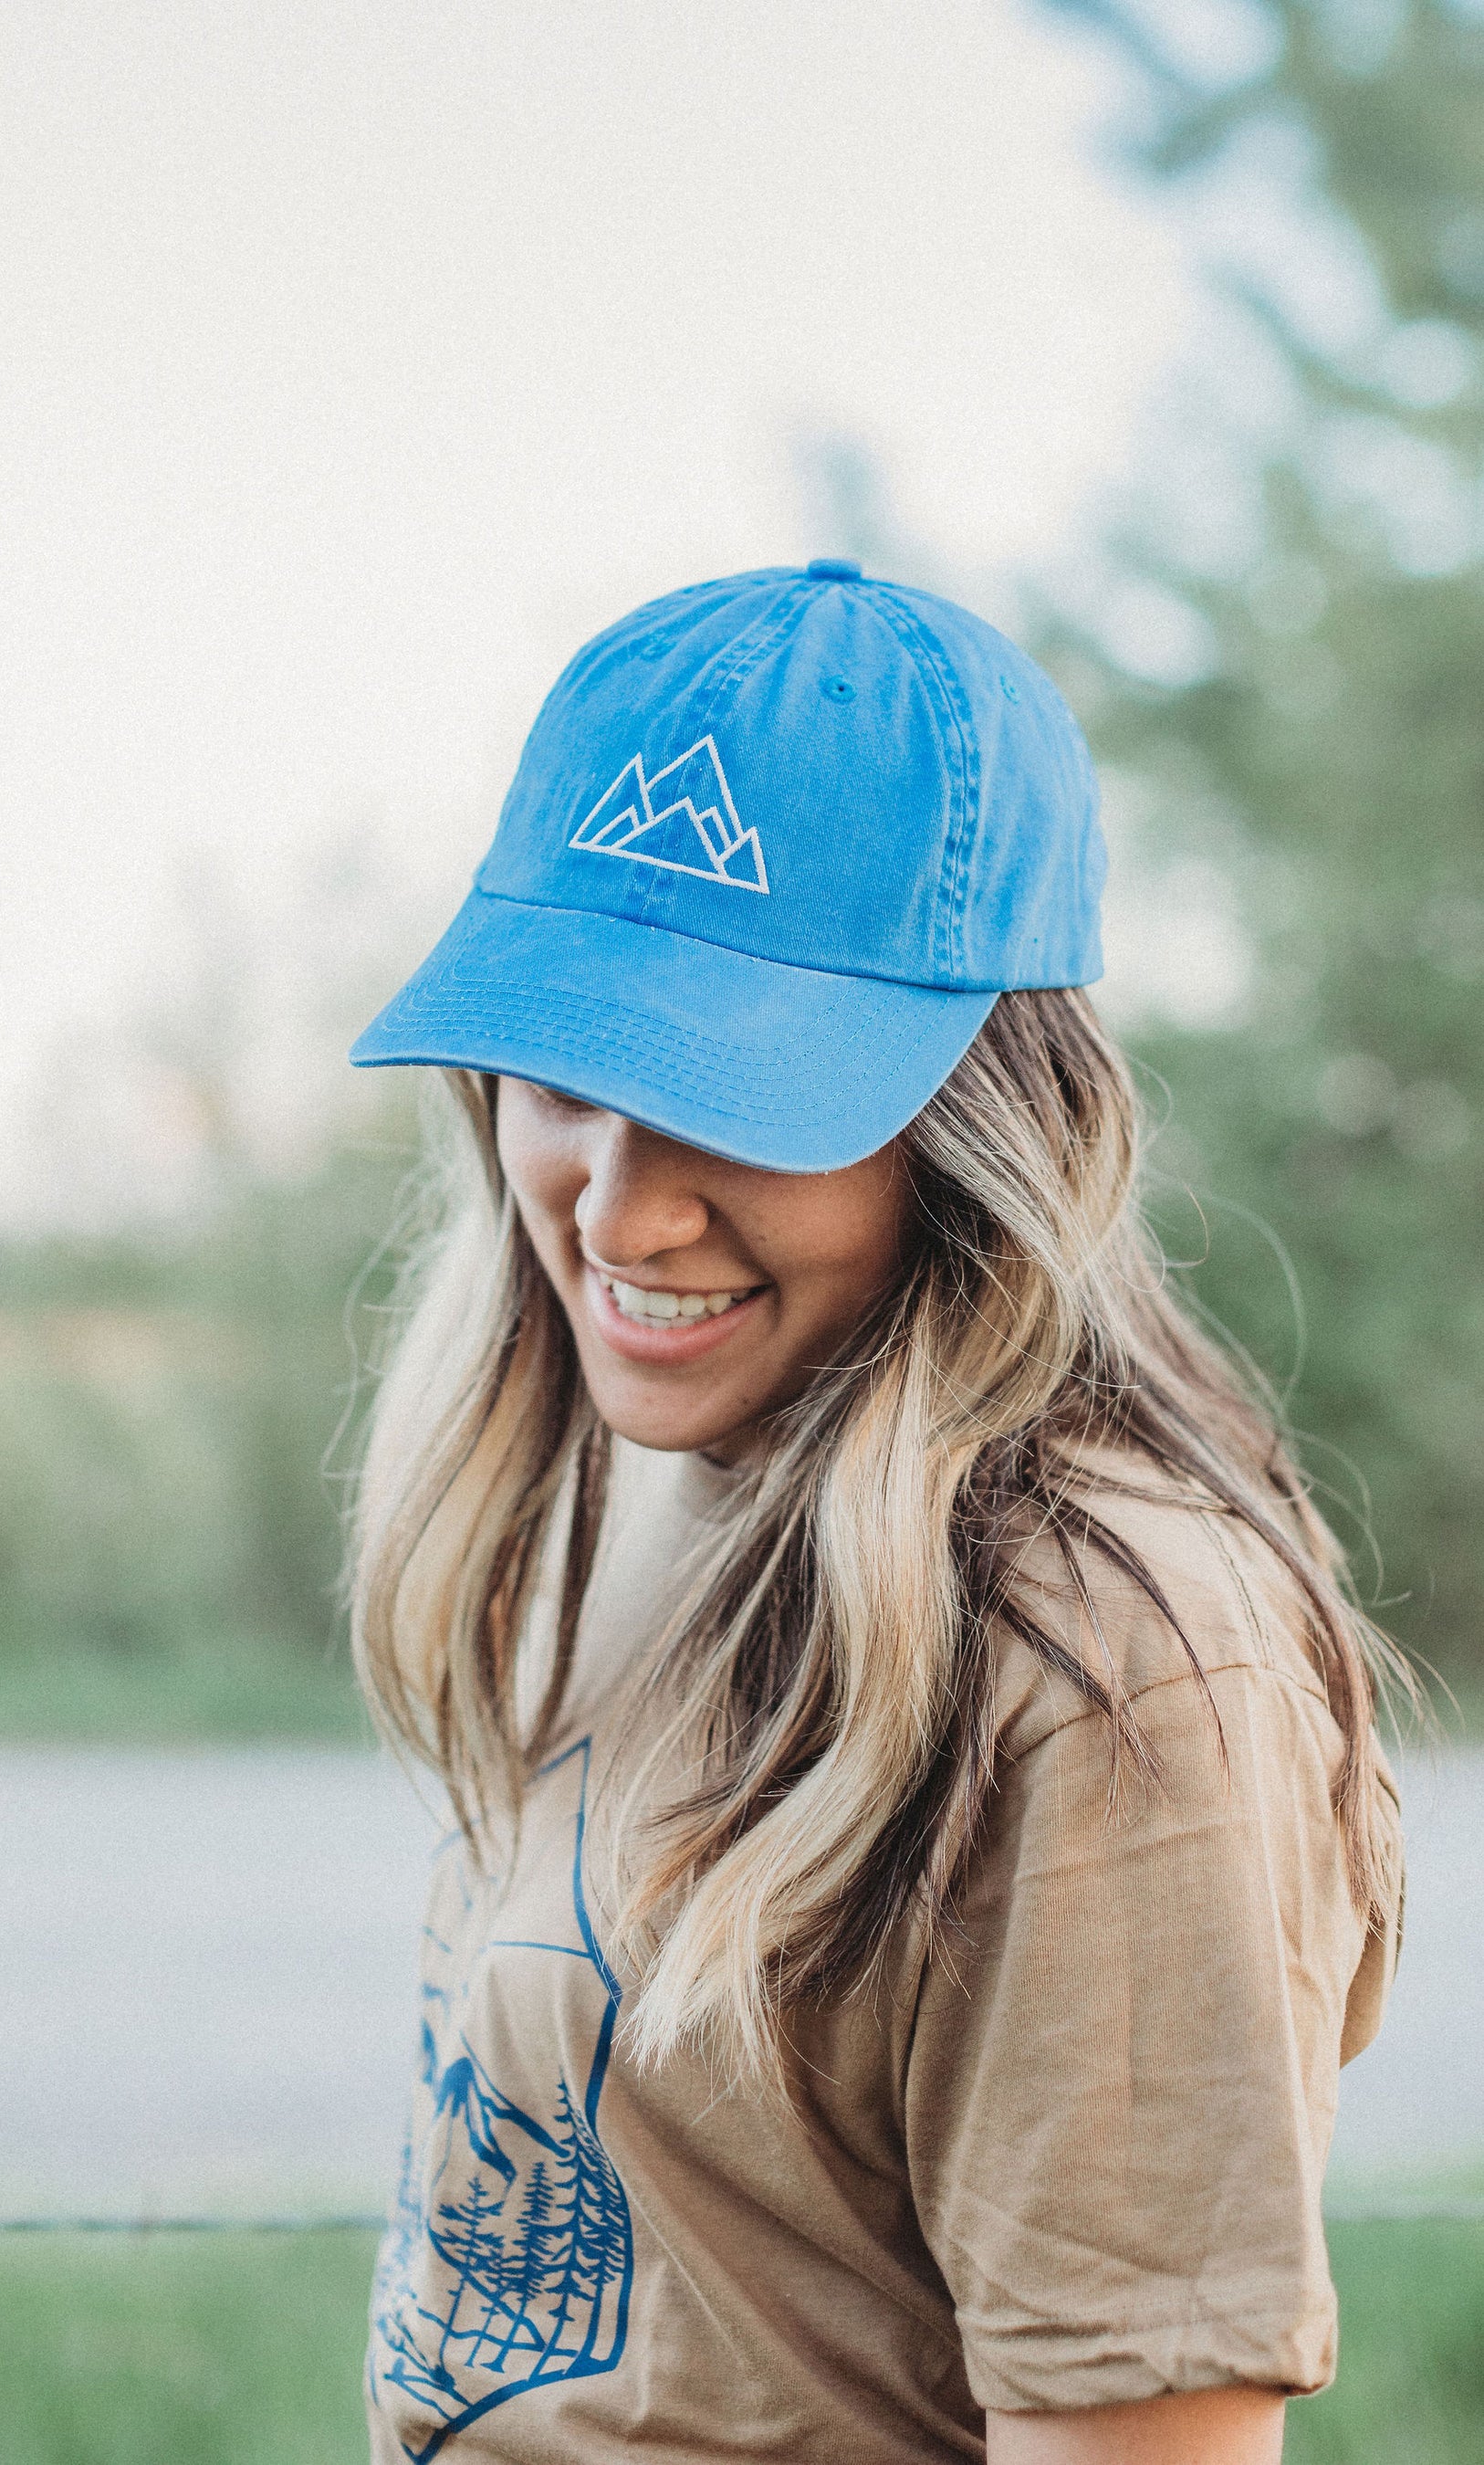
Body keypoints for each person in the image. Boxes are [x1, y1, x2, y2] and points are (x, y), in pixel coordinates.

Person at [345, 561, 1405, 2464]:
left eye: (735, 1097)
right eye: (563, 1072)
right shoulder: (669, 1459)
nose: (619, 1209)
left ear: (986, 1114)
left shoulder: (1115, 1671)